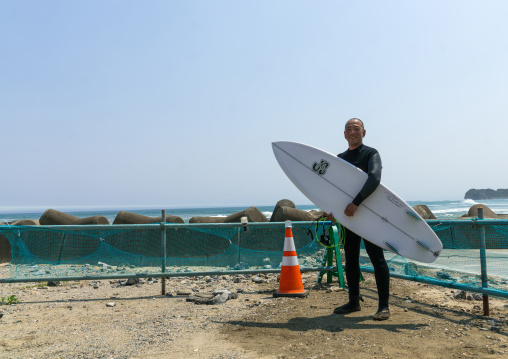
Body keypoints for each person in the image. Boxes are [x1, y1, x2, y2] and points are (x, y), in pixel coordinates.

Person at [326, 118, 390, 321]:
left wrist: (356, 203)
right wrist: (331, 210)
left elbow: (374, 178)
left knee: (377, 259)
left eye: (356, 129)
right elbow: (333, 187)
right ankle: (354, 301)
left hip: (368, 214)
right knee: (351, 259)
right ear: (344, 134)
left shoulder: (371, 153)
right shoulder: (340, 158)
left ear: (364, 133)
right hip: (348, 216)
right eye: (349, 129)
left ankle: (383, 307)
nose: (352, 132)